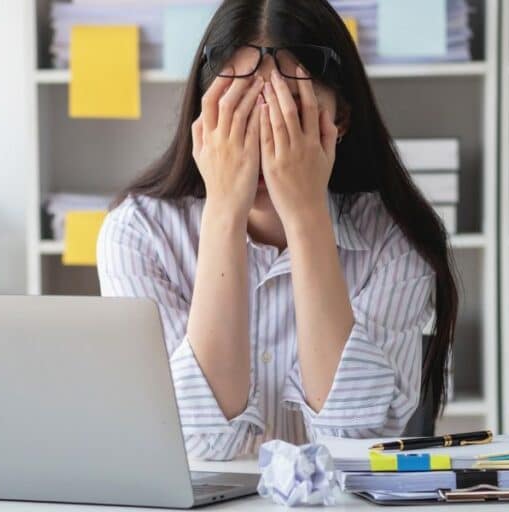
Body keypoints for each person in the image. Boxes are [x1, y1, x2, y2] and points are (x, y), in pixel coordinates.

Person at [97, 0, 458, 461]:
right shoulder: (138, 235)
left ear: (340, 119)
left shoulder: (393, 239)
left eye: (292, 114)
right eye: (240, 113)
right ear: (204, 120)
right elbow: (203, 445)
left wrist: (306, 213)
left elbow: (354, 438)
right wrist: (225, 211)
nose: (267, 142)